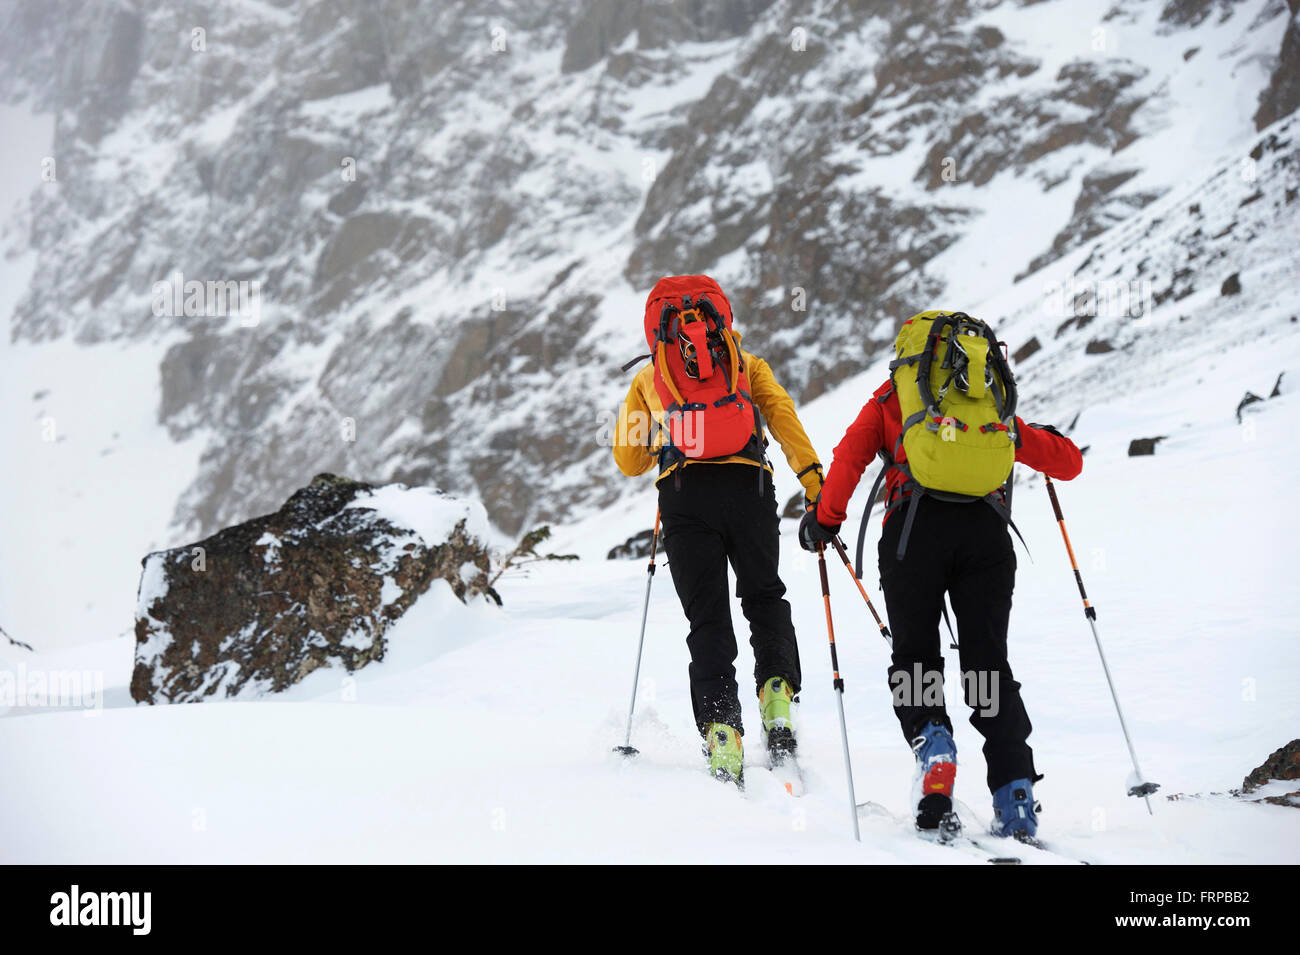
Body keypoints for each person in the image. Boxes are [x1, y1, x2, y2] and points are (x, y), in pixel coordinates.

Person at [799, 309, 1083, 840]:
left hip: (912, 535)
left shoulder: (894, 400)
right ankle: (1015, 791)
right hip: (986, 537)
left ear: (912, 357)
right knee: (986, 667)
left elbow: (849, 458)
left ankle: (935, 748)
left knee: (915, 658)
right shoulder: (987, 406)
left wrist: (823, 521)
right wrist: (1036, 438)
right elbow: (1068, 463)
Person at [614, 275, 824, 786]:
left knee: (708, 619)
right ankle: (776, 698)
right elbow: (781, 414)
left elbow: (628, 460)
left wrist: (667, 437)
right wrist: (812, 477)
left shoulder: (650, 380)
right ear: (720, 318)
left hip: (685, 500)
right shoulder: (746, 365)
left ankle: (722, 733)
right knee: (764, 595)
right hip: (750, 487)